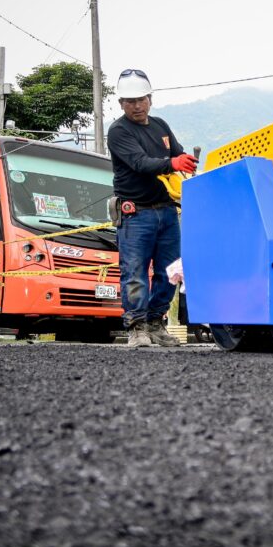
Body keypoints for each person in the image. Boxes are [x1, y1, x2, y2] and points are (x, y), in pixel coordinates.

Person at [107, 68, 197, 348]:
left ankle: (156, 323)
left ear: (150, 98)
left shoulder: (160, 126)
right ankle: (137, 327)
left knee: (169, 271)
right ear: (121, 103)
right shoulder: (118, 131)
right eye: (130, 101)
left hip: (167, 210)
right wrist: (172, 164)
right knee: (134, 271)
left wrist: (184, 161)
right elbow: (139, 163)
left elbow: (177, 153)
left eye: (141, 99)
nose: (137, 105)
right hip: (136, 213)